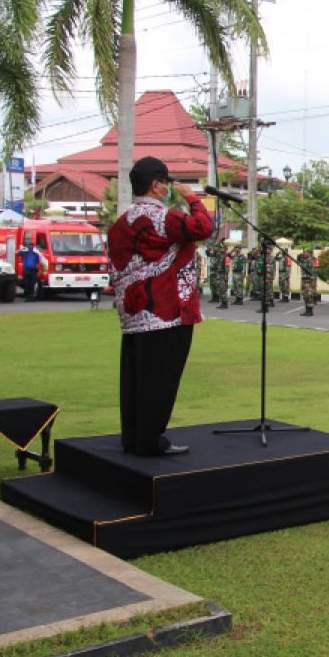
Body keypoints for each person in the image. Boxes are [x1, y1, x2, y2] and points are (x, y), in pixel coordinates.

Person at [108, 157, 212, 456]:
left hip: (133, 314)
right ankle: (151, 441)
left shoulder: (120, 223)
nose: (168, 188)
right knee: (161, 381)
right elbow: (203, 226)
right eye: (165, 183)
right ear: (156, 185)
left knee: (135, 379)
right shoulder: (164, 217)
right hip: (167, 312)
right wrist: (191, 197)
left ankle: (134, 437)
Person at [298, 248, 318, 317]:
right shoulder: (305, 260)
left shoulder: (311, 261)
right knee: (305, 296)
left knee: (309, 296)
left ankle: (310, 311)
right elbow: (298, 260)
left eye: (306, 252)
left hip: (309, 281)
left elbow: (313, 272)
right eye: (304, 252)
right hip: (304, 280)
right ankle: (307, 310)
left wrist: (313, 283)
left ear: (309, 253)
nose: (304, 253)